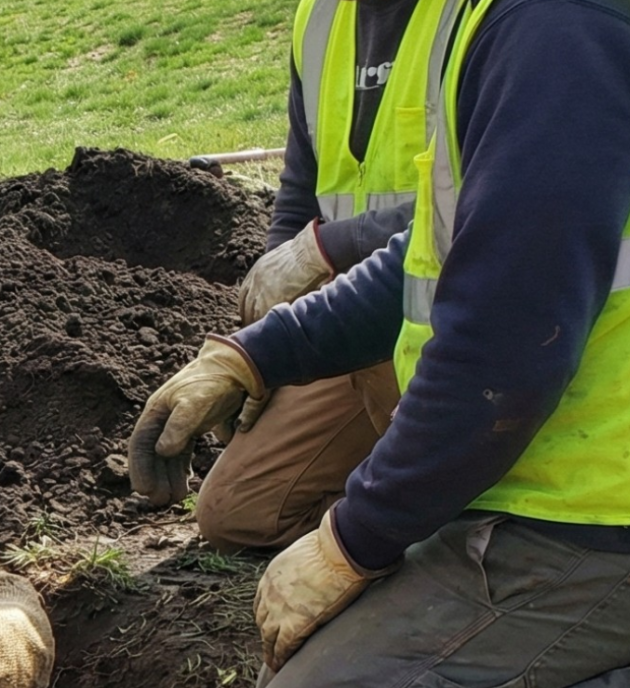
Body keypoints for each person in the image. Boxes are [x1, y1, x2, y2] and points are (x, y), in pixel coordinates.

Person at [129, 0, 630, 688]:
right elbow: (449, 252)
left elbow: (504, 351)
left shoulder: (561, 26)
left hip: (604, 514)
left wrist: (354, 542)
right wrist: (254, 355)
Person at [160, 0, 446, 552]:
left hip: (451, 319)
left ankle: (429, 513)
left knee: (444, 499)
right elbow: (301, 184)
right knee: (237, 513)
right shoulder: (321, 17)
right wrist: (274, 317)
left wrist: (325, 248)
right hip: (348, 319)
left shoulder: (483, 17)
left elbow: (483, 205)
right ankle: (398, 499)